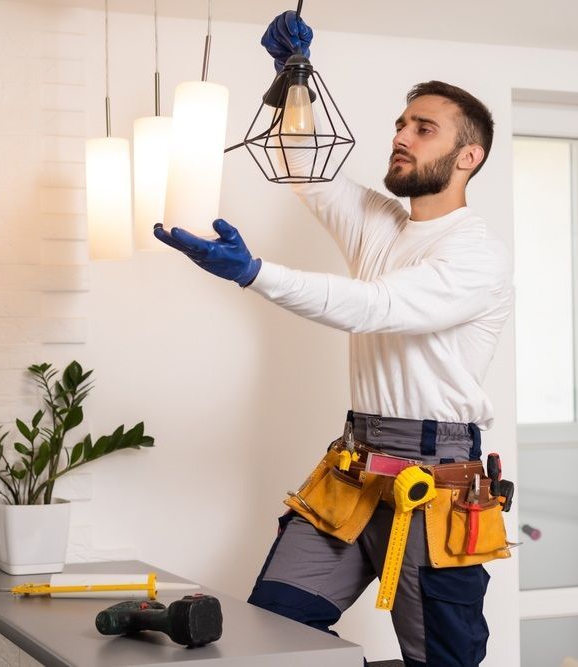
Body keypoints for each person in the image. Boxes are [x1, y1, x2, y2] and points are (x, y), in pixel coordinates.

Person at [154, 11, 513, 667]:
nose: (401, 135)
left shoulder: (476, 256)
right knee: (273, 638)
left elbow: (375, 307)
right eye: (401, 124)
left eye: (422, 128)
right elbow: (305, 168)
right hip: (354, 468)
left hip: (436, 489)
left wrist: (256, 273)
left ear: (469, 157)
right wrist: (292, 77)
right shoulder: (382, 224)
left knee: (445, 661)